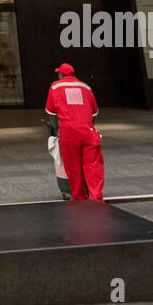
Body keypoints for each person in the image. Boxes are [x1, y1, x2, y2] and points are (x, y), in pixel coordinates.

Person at [45, 62, 104, 202]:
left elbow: (50, 112)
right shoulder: (86, 87)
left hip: (68, 133)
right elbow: (95, 112)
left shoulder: (55, 86)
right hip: (88, 132)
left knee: (73, 168)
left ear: (60, 75)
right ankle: (97, 200)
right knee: (94, 167)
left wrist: (57, 129)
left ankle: (79, 200)